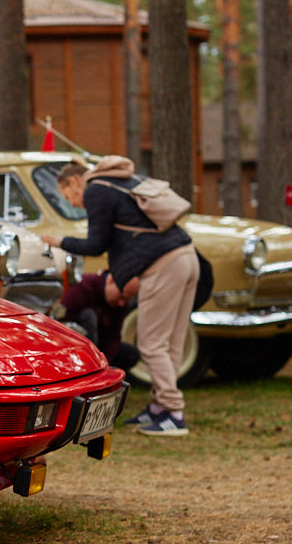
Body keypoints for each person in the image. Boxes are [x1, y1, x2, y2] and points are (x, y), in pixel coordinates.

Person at [43, 157, 198, 436]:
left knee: (151, 343)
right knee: (170, 341)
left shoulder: (95, 191)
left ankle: (173, 413)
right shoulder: (119, 182)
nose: (74, 204)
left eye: (70, 196)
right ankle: (160, 407)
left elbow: (95, 244)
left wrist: (60, 242)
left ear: (75, 181)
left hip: (162, 266)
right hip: (187, 257)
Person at [61, 270, 140, 373]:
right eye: (121, 297)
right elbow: (61, 322)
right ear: (110, 281)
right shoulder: (82, 287)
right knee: (89, 316)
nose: (121, 303)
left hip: (100, 347)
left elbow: (114, 337)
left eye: (126, 300)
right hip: (75, 345)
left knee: (132, 354)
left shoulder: (120, 305)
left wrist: (105, 363)